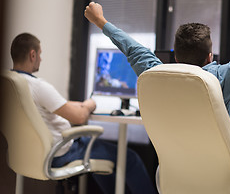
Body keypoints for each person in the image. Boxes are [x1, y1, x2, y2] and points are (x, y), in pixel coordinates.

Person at [84, 2, 230, 192]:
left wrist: (101, 21)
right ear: (210, 57)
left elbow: (132, 49)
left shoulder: (155, 74)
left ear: (176, 57)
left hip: (176, 178)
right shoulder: (219, 78)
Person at [10, 33, 157, 194]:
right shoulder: (37, 86)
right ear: (33, 55)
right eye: (40, 54)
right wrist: (89, 104)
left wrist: (79, 105)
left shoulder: (12, 84)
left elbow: (53, 106)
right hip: (62, 153)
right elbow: (79, 117)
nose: (41, 59)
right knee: (130, 159)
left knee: (104, 164)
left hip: (27, 154)